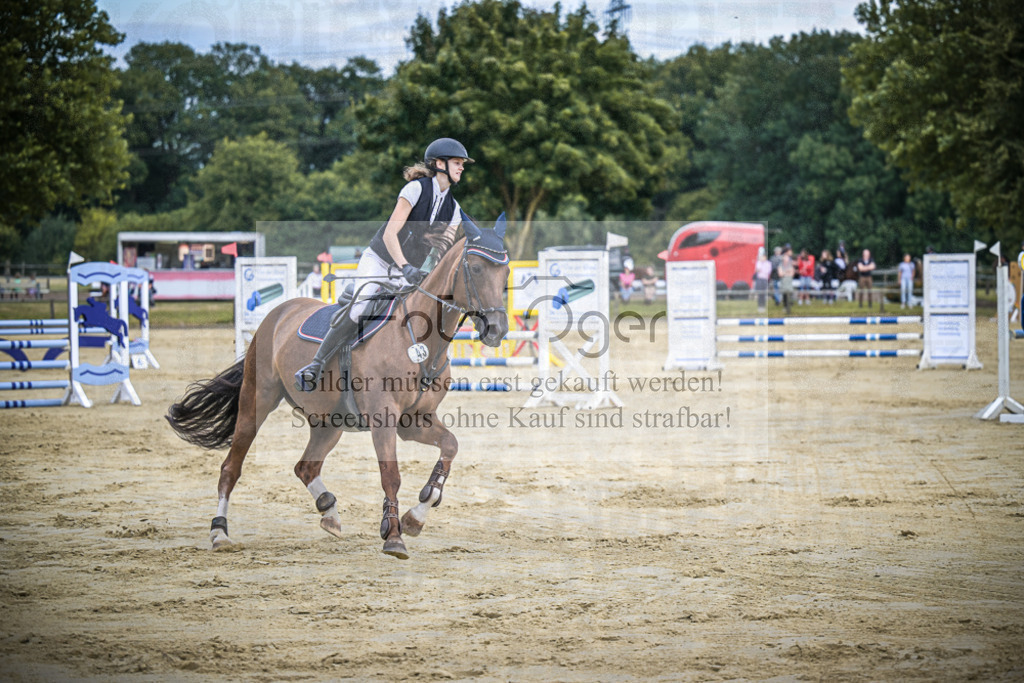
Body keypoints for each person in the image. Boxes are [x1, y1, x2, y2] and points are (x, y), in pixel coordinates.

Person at [295, 137, 472, 391]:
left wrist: (427, 272)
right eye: (457, 162)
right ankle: (316, 364)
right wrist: (405, 266)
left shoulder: (454, 209)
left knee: (417, 314)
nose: (461, 167)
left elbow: (441, 249)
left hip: (408, 271)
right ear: (439, 164)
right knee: (359, 309)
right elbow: (390, 234)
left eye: (462, 163)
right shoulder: (415, 190)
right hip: (380, 260)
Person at [753, 247, 773, 313]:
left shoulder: (768, 263)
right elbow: (757, 270)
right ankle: (759, 306)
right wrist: (760, 268)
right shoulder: (759, 262)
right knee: (759, 293)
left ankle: (763, 306)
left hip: (764, 279)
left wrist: (761, 270)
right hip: (759, 279)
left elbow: (767, 271)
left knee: (763, 293)